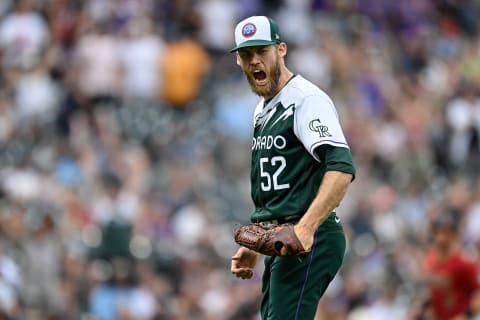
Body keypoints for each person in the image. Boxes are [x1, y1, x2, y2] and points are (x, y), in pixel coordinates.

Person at [229, 16, 355, 319]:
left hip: (310, 236)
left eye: (263, 51)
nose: (255, 61)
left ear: (281, 49)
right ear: (238, 61)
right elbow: (280, 184)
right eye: (247, 54)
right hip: (282, 240)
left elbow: (341, 169)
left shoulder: (306, 99)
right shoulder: (263, 109)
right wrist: (259, 240)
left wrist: (307, 228)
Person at [421, 211, 480, 320]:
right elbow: (435, 291)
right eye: (436, 233)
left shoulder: (464, 262)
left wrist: (467, 315)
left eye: (445, 233)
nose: (440, 238)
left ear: (454, 236)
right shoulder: (430, 258)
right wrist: (422, 309)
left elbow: (477, 292)